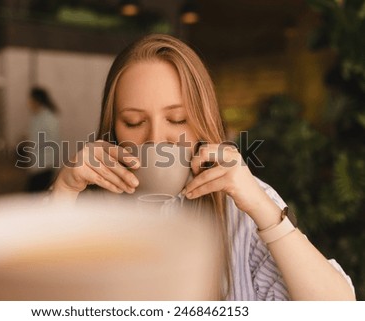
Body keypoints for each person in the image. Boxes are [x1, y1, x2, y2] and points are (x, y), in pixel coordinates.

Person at [51, 34, 355, 300]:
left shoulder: (243, 206)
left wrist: (262, 207)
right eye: (134, 122)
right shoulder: (84, 209)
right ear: (113, 130)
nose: (157, 139)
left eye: (178, 119)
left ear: (203, 122)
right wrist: (63, 193)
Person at [23, 87, 61, 192]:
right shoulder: (36, 117)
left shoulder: (49, 118)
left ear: (37, 100)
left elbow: (54, 143)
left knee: (37, 200)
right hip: (36, 166)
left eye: (30, 99)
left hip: (45, 166)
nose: (28, 103)